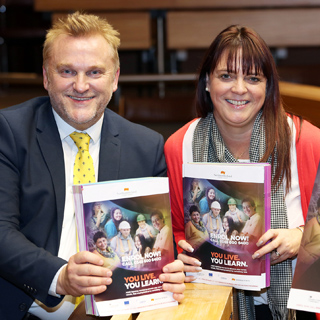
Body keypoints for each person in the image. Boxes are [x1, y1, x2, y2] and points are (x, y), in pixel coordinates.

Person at [0, 12, 185, 320]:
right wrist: (60, 277)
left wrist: (169, 270)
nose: (81, 85)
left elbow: (154, 238)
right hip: (25, 308)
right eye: (67, 71)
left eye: (95, 72)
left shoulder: (146, 146)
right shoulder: (9, 131)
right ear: (46, 76)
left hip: (113, 311)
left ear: (114, 79)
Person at [164, 24, 320, 320]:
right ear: (207, 82)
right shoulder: (178, 146)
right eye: (226, 76)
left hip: (296, 308)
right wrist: (180, 253)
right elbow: (174, 234)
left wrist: (302, 238)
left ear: (267, 86)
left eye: (252, 78)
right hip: (214, 304)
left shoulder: (306, 141)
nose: (239, 89)